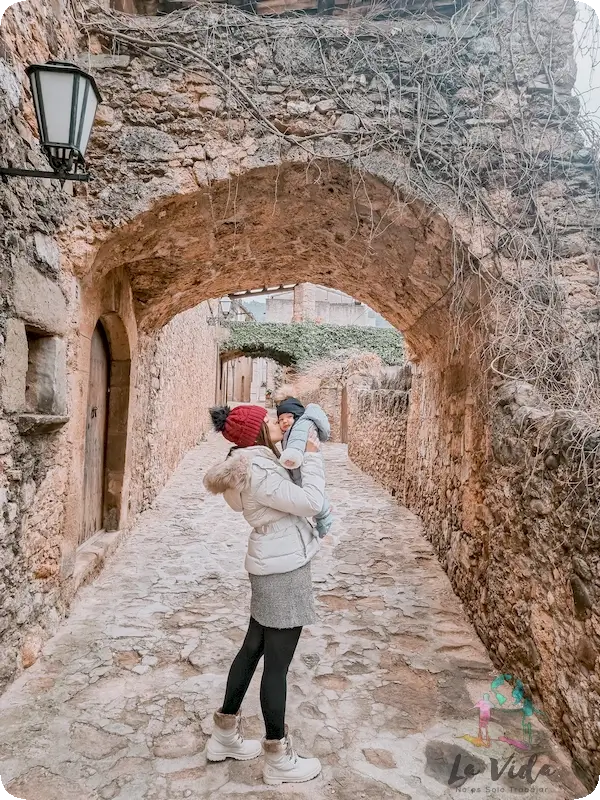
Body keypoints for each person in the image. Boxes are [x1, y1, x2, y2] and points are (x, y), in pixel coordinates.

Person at [202, 404, 324, 786]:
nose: (276, 422)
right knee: (277, 665)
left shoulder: (247, 466)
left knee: (253, 648)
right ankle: (278, 757)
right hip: (283, 570)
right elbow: (312, 503)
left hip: (270, 562)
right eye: (269, 420)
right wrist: (316, 462)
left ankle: (224, 735)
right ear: (255, 431)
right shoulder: (259, 469)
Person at [276, 396, 334, 537]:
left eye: (289, 417)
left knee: (314, 501)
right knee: (315, 497)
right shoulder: (292, 430)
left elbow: (296, 445)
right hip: (302, 469)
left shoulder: (300, 427)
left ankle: (324, 522)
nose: (284, 421)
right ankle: (322, 521)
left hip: (303, 468)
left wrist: (290, 457)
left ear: (296, 415)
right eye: (280, 419)